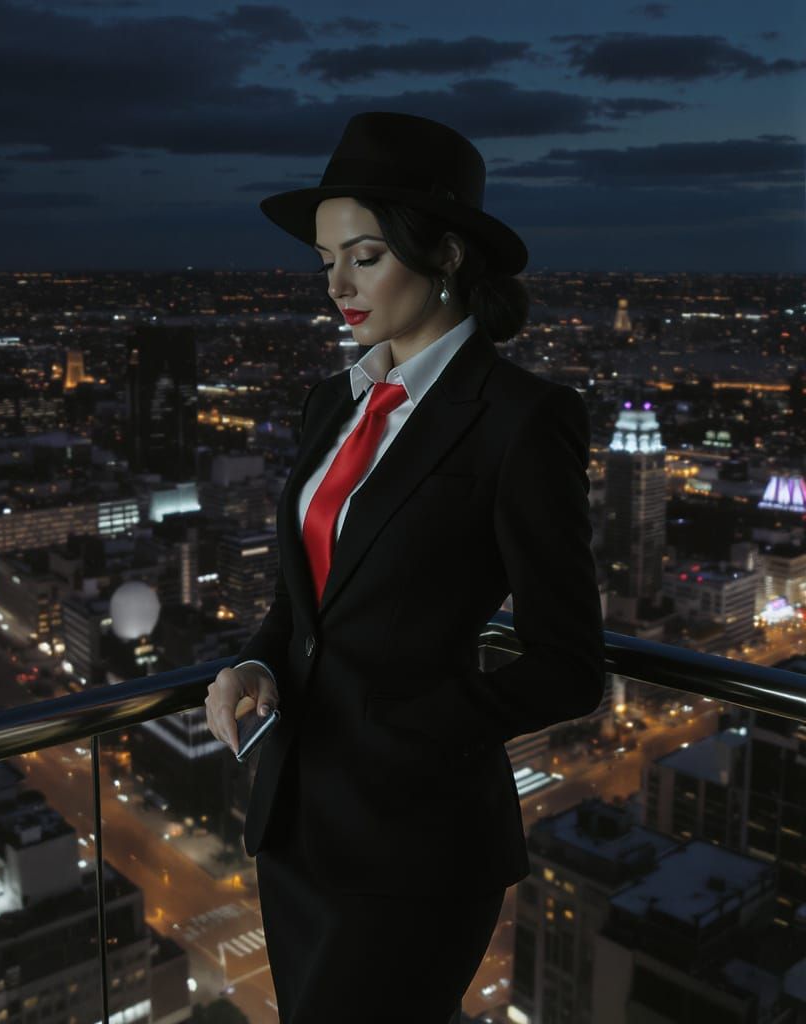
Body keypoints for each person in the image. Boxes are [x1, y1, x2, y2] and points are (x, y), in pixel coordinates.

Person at [204, 111, 605, 1023]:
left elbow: (568, 665)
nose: (336, 284)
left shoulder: (520, 419)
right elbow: (306, 602)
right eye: (324, 260)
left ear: (448, 253)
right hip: (297, 826)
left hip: (415, 836)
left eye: (366, 255)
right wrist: (256, 665)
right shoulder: (330, 403)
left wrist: (399, 732)